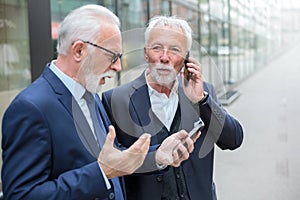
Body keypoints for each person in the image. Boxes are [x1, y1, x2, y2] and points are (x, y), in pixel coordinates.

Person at [1, 5, 196, 200]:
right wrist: (101, 172)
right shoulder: (31, 108)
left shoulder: (90, 93)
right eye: (113, 56)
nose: (118, 67)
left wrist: (158, 155)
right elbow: (21, 195)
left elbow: (112, 157)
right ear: (79, 51)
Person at [102, 16, 244, 200]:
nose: (164, 57)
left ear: (186, 59)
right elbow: (113, 161)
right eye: (157, 48)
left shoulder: (203, 92)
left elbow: (233, 140)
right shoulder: (115, 100)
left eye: (174, 50)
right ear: (146, 53)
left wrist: (202, 101)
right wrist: (156, 157)